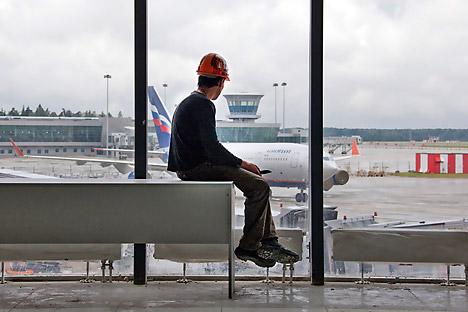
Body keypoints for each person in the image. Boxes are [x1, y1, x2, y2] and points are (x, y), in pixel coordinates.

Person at [167, 53, 299, 268]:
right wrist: (244, 164)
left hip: (188, 167)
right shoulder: (203, 105)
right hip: (197, 168)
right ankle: (250, 246)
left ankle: (268, 241)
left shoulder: (189, 102)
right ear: (220, 82)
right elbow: (213, 148)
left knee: (259, 187)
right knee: (259, 186)